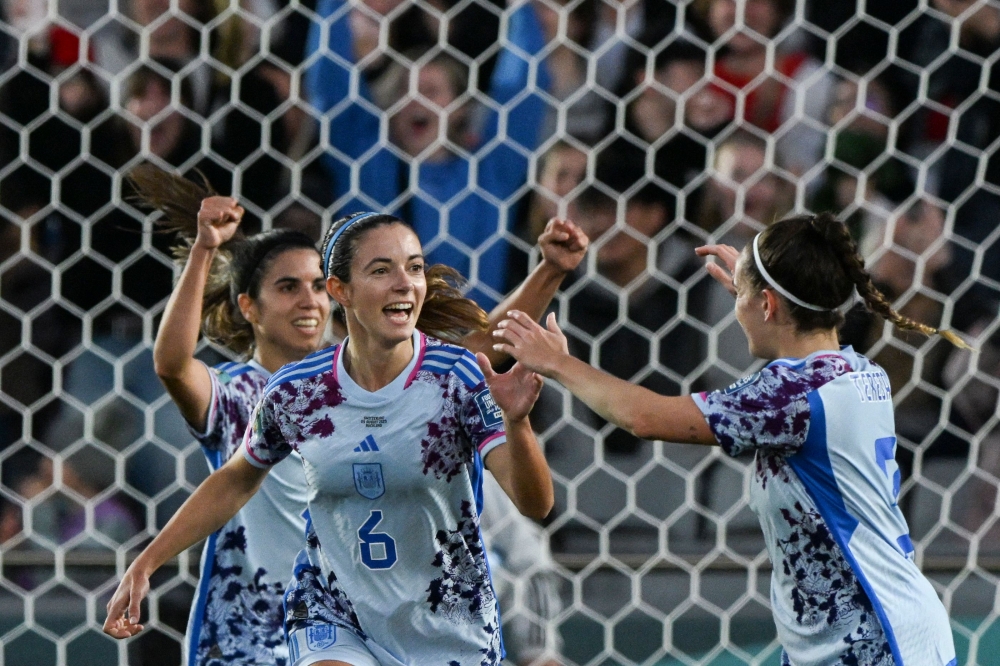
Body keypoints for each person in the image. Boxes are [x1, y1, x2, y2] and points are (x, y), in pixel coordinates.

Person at [114, 164, 587, 665]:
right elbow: (196, 410)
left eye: (315, 285)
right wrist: (146, 562)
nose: (309, 300)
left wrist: (548, 274)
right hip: (280, 619)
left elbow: (478, 352)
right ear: (250, 307)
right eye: (289, 287)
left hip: (425, 614)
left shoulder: (427, 375)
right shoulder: (264, 393)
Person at [493, 212, 961, 665]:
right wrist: (755, 291)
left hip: (870, 640)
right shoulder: (859, 370)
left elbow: (643, 417)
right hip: (890, 625)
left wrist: (556, 362)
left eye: (747, 299)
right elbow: (789, 323)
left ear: (769, 306)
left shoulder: (790, 396)